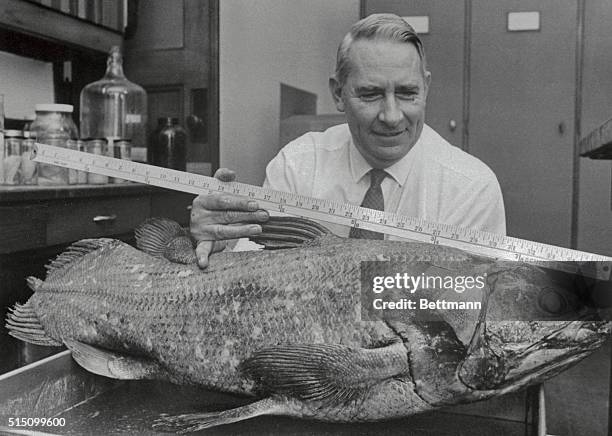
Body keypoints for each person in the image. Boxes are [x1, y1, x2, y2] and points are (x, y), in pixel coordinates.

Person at [190, 13, 506, 268]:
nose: (392, 116)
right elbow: (260, 274)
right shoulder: (297, 166)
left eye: (408, 93)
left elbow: (459, 306)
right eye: (371, 94)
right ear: (338, 93)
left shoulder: (471, 188)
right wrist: (223, 247)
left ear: (426, 87)